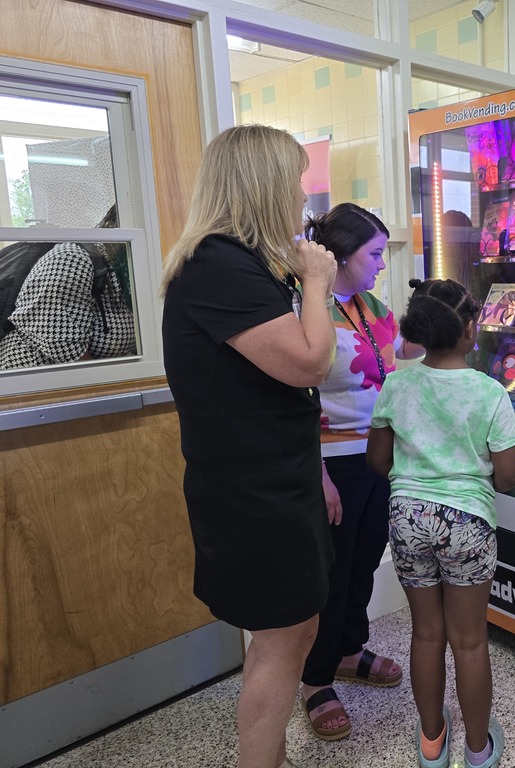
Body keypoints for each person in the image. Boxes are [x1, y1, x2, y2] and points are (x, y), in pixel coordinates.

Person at [160, 124, 339, 768]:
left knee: (293, 628)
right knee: (280, 640)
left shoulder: (240, 264)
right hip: (254, 497)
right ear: (262, 184)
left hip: (279, 482)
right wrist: (316, 281)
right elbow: (310, 363)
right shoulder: (218, 265)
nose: (303, 195)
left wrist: (316, 474)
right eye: (295, 180)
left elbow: (280, 393)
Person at [367, 278, 515, 768]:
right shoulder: (490, 393)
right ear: (469, 329)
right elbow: (510, 476)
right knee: (470, 640)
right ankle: (478, 749)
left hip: (408, 519)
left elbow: (378, 461)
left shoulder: (397, 384)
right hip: (466, 523)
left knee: (426, 634)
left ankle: (432, 742)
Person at [297, 202, 424, 741]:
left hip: (378, 455)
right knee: (332, 571)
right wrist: (318, 477)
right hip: (332, 462)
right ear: (343, 256)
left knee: (366, 560)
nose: (381, 264)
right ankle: (314, 680)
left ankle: (350, 650)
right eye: (375, 254)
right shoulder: (309, 308)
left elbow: (396, 353)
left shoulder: (372, 304)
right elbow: (294, 397)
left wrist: (444, 314)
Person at [0, 205, 136, 369]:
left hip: (75, 381)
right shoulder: (74, 257)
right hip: (31, 381)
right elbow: (58, 340)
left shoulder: (124, 265)